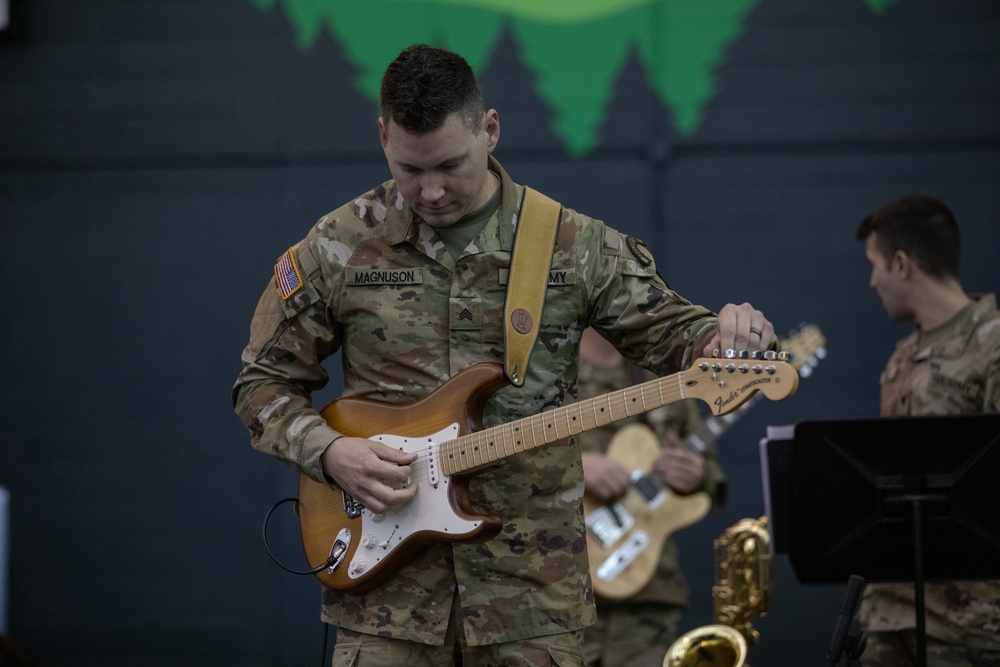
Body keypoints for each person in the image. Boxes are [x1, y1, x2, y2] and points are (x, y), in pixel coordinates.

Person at [233, 43, 776, 666]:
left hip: (530, 601)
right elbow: (261, 383)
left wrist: (729, 340)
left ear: (490, 130)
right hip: (386, 604)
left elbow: (678, 336)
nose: (431, 190)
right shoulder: (338, 246)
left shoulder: (573, 244)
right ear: (382, 136)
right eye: (410, 169)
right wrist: (329, 451)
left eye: (450, 165)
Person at [855, 194, 1000, 666]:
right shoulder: (902, 356)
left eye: (874, 265)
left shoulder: (992, 344)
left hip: (969, 624)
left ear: (901, 264)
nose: (872, 280)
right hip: (890, 615)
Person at [576, 328, 727, 667]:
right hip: (557, 596)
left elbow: (712, 478)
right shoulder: (541, 369)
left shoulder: (662, 376)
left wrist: (696, 475)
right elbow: (501, 465)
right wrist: (575, 469)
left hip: (646, 599)